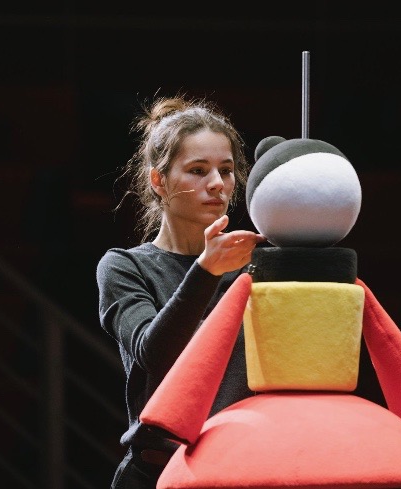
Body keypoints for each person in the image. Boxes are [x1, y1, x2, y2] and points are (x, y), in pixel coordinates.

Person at [96, 94, 266, 489]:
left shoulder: (255, 267)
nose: (217, 184)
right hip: (157, 474)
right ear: (159, 181)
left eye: (226, 170)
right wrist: (206, 271)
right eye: (197, 170)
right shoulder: (124, 267)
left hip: (241, 470)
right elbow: (156, 354)